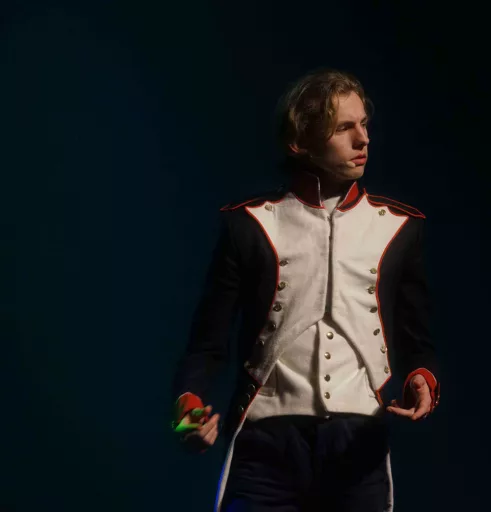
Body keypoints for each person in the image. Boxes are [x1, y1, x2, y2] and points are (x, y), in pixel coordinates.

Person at [170, 68, 441, 512]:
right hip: (265, 445)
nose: (363, 139)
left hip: (360, 447)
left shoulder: (399, 227)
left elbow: (417, 341)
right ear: (300, 141)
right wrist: (188, 410)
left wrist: (421, 379)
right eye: (343, 128)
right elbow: (207, 343)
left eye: (364, 124)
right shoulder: (250, 223)